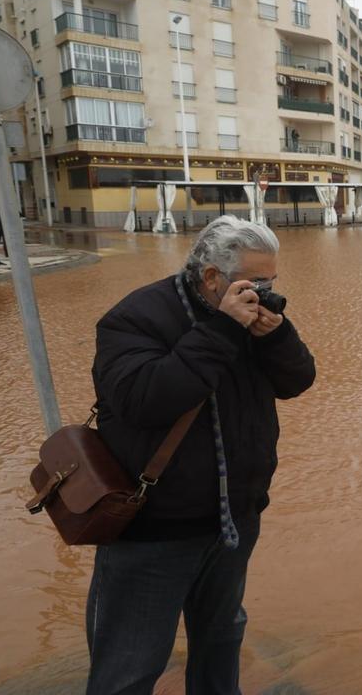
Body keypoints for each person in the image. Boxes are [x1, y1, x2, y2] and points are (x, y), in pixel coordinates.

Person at [87, 215, 316, 693]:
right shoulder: (135, 318)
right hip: (152, 531)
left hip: (233, 522)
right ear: (212, 277)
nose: (265, 292)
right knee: (130, 665)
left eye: (272, 281)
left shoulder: (253, 318)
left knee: (220, 645)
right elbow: (145, 401)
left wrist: (274, 336)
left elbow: (298, 381)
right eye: (256, 282)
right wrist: (221, 330)